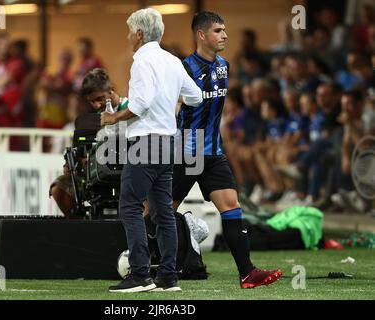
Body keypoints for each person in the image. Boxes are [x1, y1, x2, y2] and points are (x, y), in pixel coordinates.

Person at [173, 11, 282, 288]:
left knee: (232, 207)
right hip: (187, 153)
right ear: (201, 35)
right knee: (159, 211)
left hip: (214, 153)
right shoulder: (184, 69)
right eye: (218, 31)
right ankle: (143, 265)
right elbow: (173, 108)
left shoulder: (224, 65)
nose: (224, 35)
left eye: (224, 30)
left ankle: (247, 273)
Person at [101, 8, 203, 293]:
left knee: (130, 206)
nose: (127, 36)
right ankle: (168, 277)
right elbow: (194, 97)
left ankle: (141, 275)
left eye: (129, 31)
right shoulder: (173, 61)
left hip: (145, 143)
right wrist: (170, 103)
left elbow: (139, 104)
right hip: (168, 143)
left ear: (140, 34)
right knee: (163, 212)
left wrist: (112, 118)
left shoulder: (142, 61)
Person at [49, 68, 128, 217]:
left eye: (100, 98)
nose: (97, 105)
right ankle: (80, 226)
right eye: (92, 101)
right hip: (94, 174)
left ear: (111, 91)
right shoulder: (87, 120)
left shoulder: (130, 108)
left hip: (128, 171)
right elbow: (79, 149)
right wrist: (73, 163)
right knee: (58, 188)